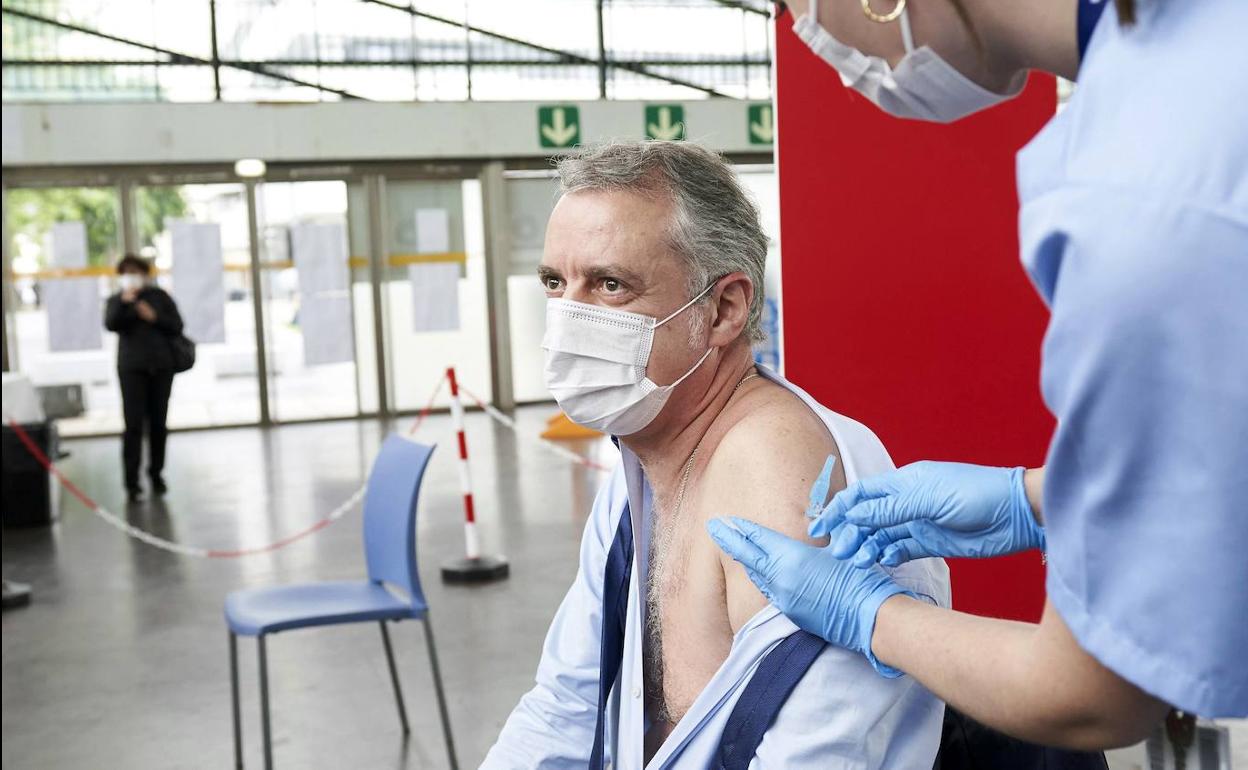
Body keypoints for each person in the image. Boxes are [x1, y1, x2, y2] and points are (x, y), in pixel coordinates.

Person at [709, 0, 1248, 752]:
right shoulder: (1204, 53)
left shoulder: (1146, 183)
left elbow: (1090, 699)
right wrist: (1039, 499)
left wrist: (869, 612)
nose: (821, 46)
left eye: (804, 11)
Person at [483, 140, 950, 768]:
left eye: (610, 284)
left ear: (724, 308)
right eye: (554, 283)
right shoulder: (643, 459)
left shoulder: (780, 478)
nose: (568, 317)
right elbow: (566, 706)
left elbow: (815, 757)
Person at [103, 255, 184, 501]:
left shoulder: (160, 297)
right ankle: (131, 482)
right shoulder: (117, 301)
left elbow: (177, 325)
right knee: (133, 425)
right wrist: (127, 305)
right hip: (132, 370)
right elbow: (111, 324)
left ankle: (156, 474)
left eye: (136, 271)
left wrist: (153, 316)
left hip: (161, 368)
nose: (132, 276)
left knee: (158, 424)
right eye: (127, 272)